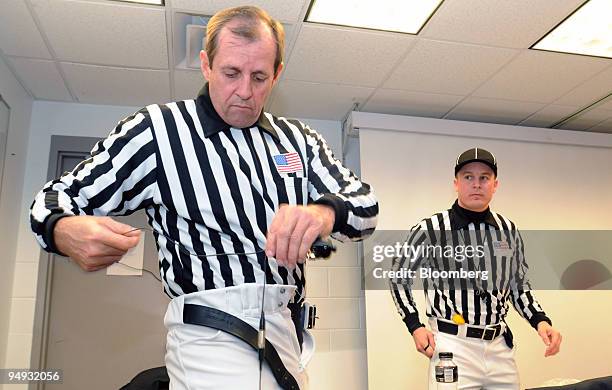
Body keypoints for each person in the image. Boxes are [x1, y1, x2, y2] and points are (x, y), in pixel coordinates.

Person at [29, 6, 378, 390]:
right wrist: (63, 228)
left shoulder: (299, 140)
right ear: (206, 65)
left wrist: (324, 214)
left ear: (277, 73)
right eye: (231, 73)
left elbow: (365, 204)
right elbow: (54, 197)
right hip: (210, 334)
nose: (245, 91)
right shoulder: (157, 132)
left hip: (286, 332)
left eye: (259, 76)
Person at [389, 147, 561, 389]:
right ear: (456, 184)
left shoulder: (507, 230)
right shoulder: (431, 228)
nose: (477, 184)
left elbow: (518, 284)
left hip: (499, 347)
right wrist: (414, 325)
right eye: (468, 177)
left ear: (495, 184)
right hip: (452, 345)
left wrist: (540, 321)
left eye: (484, 178)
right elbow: (398, 276)